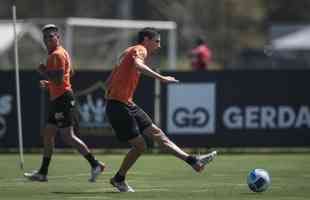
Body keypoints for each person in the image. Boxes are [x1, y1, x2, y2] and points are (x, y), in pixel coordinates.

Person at [105, 27, 217, 192]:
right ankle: (119, 179)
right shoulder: (139, 49)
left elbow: (110, 80)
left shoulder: (127, 52)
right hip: (118, 106)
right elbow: (138, 65)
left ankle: (193, 161)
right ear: (146, 40)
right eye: (156, 41)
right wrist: (161, 78)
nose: (158, 45)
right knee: (141, 146)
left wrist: (113, 89)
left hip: (126, 103)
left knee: (157, 134)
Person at [24, 24, 105, 182]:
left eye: (51, 36)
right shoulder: (59, 53)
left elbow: (59, 79)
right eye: (45, 37)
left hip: (62, 99)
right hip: (58, 98)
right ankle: (43, 172)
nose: (48, 39)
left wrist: (44, 72)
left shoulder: (57, 55)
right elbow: (70, 73)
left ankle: (95, 164)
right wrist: (50, 83)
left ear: (57, 37)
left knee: (68, 136)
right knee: (48, 134)